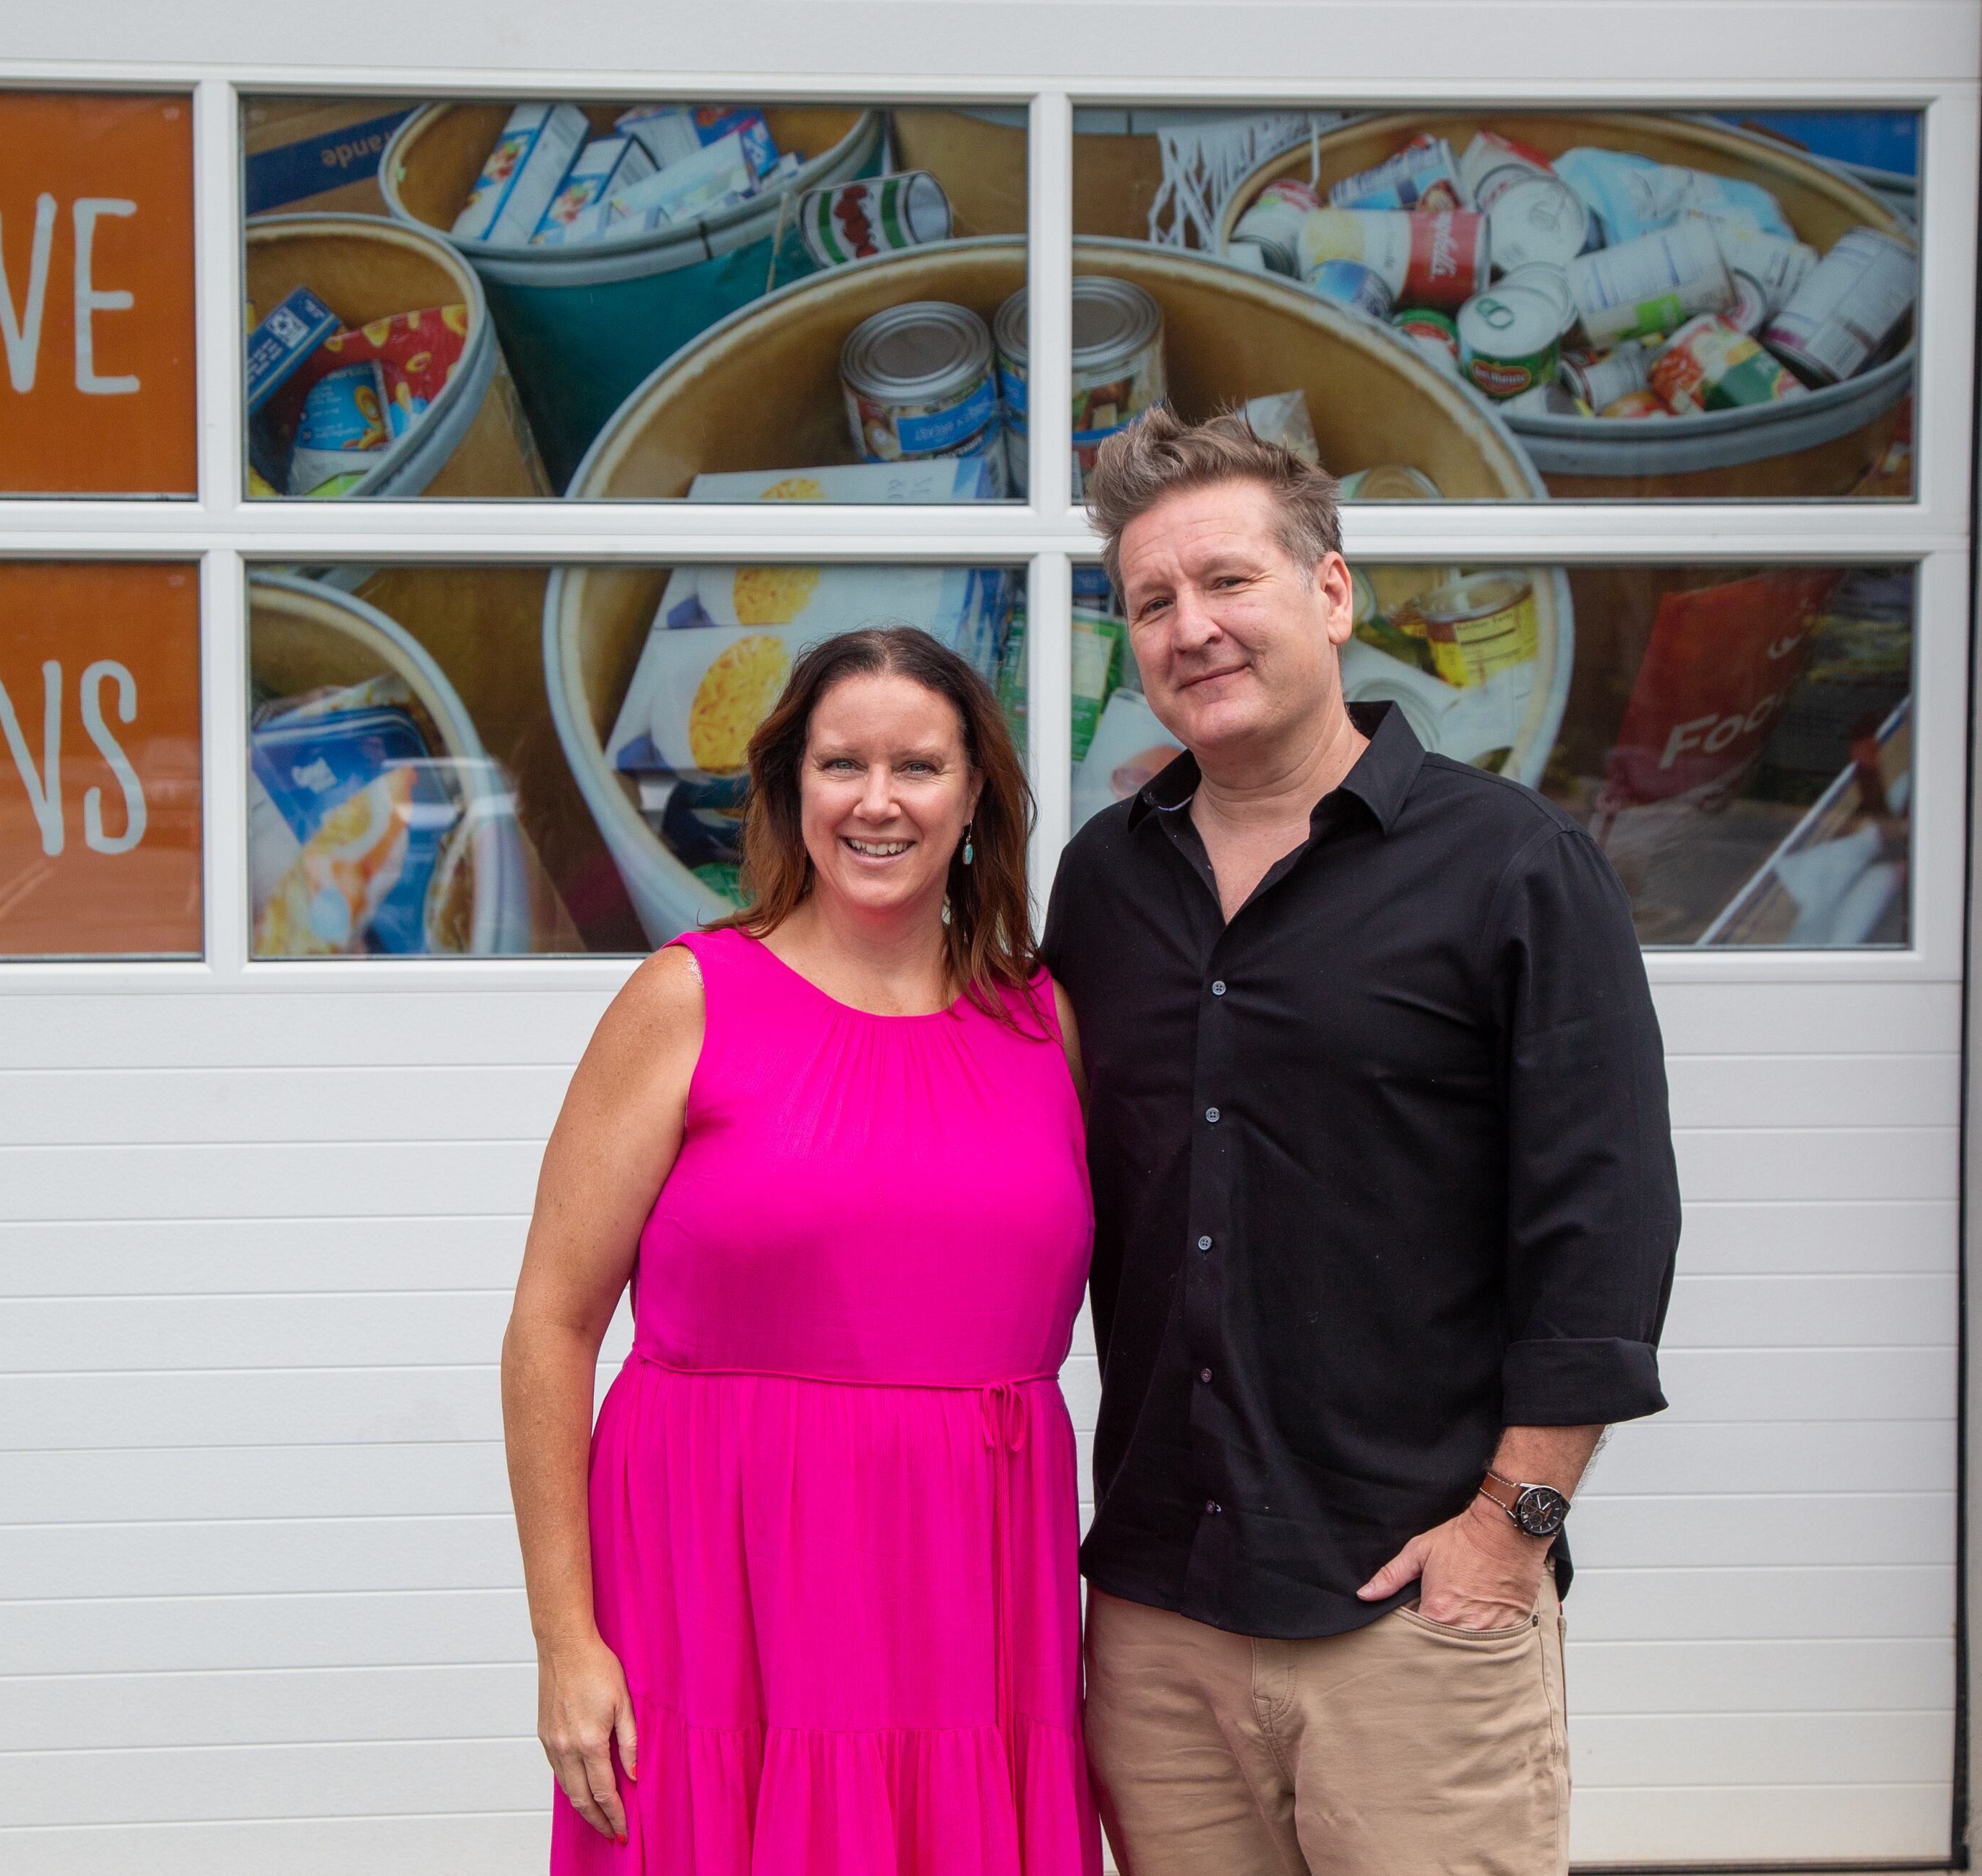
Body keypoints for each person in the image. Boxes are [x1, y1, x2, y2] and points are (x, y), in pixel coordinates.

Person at [1043, 405, 1681, 1876]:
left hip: (1411, 1607)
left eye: (1229, 580)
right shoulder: (1103, 883)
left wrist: (1512, 1528)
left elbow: (1604, 1228)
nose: (1192, 628)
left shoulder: (1513, 865)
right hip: (1157, 1616)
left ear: (1332, 593)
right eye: (1152, 601)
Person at [504, 626, 1105, 1874]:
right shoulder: (689, 1000)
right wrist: (565, 1640)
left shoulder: (1045, 1023)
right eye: (842, 765)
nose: (878, 802)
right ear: (790, 789)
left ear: (976, 797)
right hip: (720, 1595)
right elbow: (551, 1326)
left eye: (918, 767)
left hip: (974, 1594)